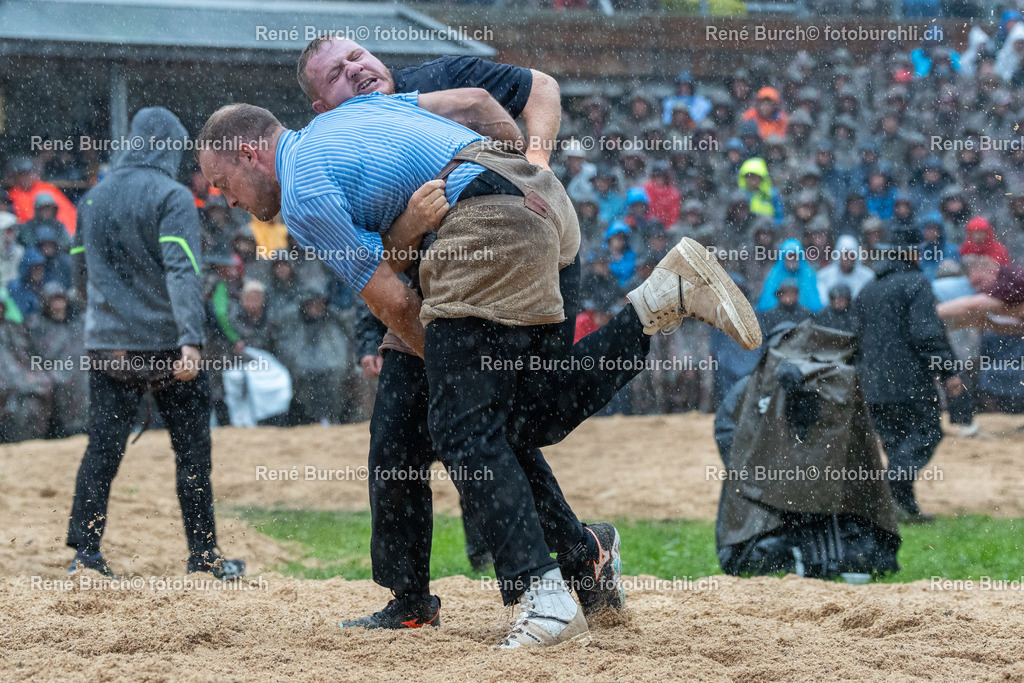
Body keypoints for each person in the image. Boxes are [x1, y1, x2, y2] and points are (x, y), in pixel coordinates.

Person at [196, 94, 759, 648]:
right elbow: (473, 104)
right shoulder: (355, 114)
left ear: (249, 153)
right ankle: (655, 303)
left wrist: (454, 377)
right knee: (525, 415)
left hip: (483, 221)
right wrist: (526, 159)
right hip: (538, 199)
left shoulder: (300, 192)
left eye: (224, 184)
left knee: (463, 427)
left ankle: (543, 597)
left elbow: (392, 301)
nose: (229, 200)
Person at [66, 107, 244, 580]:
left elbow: (79, 270)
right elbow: (181, 270)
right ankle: (203, 556)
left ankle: (85, 554)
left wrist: (106, 317)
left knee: (102, 450)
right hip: (168, 347)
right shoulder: (172, 196)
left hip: (109, 347)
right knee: (192, 452)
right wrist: (190, 340)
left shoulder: (94, 197)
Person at [854, 225, 963, 523]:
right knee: (927, 433)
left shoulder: (867, 290)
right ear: (911, 253)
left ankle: (903, 509)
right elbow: (926, 334)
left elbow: (855, 338)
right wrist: (948, 371)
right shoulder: (916, 284)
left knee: (895, 444)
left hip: (874, 386)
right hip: (909, 383)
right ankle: (892, 487)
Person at [816, 235, 874, 303]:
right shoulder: (823, 276)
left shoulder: (868, 277)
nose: (848, 259)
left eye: (851, 255)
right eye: (845, 255)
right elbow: (823, 301)